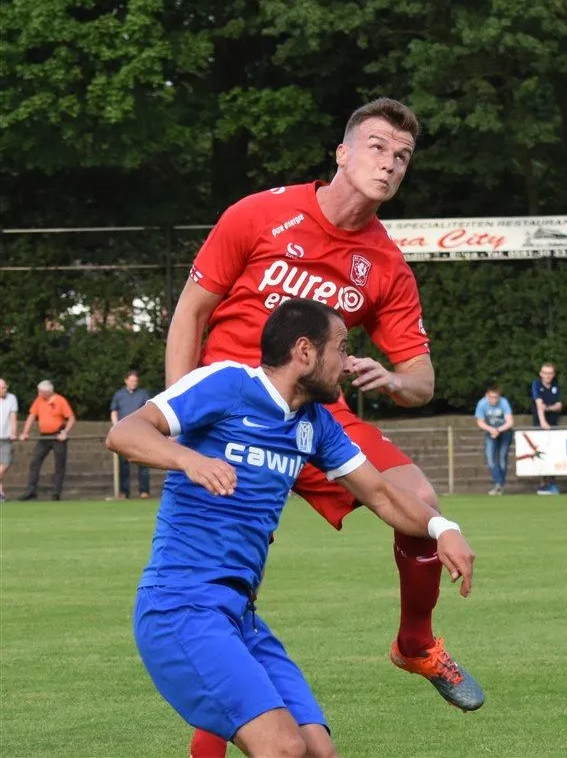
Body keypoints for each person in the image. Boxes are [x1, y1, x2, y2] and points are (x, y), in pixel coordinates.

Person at [165, 98, 481, 755]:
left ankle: (416, 643)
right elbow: (191, 312)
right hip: (233, 415)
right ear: (340, 152)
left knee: (418, 504)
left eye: (400, 157)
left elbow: (421, 378)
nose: (388, 164)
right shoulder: (258, 213)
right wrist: (182, 412)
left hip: (317, 416)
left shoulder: (385, 264)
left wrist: (391, 380)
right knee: (223, 589)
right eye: (375, 147)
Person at [107, 299, 481, 758]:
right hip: (181, 605)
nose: (348, 364)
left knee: (318, 750)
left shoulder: (315, 424)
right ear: (305, 351)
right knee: (283, 747)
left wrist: (443, 527)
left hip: (240, 616)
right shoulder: (228, 383)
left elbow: (381, 494)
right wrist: (191, 459)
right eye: (341, 350)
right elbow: (125, 432)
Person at [18, 380, 75, 501]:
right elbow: (32, 416)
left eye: (41, 392)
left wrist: (65, 432)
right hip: (44, 436)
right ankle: (31, 490)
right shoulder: (39, 400)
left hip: (57, 436)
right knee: (35, 462)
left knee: (59, 464)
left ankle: (56, 492)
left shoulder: (60, 400)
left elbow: (71, 418)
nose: (38, 394)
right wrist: (25, 432)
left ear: (48, 392)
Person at [110, 370, 151, 498]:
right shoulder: (119, 395)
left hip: (141, 432)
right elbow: (114, 411)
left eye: (135, 381)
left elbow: (150, 410)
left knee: (143, 463)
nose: (134, 383)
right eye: (132, 380)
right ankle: (124, 492)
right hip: (124, 433)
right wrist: (116, 426)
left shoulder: (144, 394)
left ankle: (144, 491)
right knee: (123, 465)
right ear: (126, 380)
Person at [474, 384, 514, 495]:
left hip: (505, 432)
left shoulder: (504, 402)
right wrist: (492, 430)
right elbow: (480, 422)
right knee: (491, 459)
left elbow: (510, 422)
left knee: (502, 458)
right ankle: (498, 484)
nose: (494, 400)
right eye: (491, 397)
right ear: (487, 396)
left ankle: (499, 485)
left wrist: (498, 430)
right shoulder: (482, 403)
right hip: (490, 432)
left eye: (496, 397)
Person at [530, 363, 562, 495]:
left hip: (554, 424)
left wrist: (548, 408)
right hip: (540, 425)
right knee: (541, 453)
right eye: (545, 373)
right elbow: (539, 404)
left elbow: (559, 405)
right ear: (540, 373)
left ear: (553, 374)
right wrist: (543, 422)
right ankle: (543, 484)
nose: (547, 376)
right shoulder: (536, 384)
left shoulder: (556, 386)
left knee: (553, 453)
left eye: (550, 373)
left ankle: (552, 483)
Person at [0, 378, 19, 502]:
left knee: (6, 464)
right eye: (2, 388)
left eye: (5, 387)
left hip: (6, 437)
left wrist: (13, 432)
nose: (4, 390)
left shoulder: (11, 398)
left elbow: (13, 416)